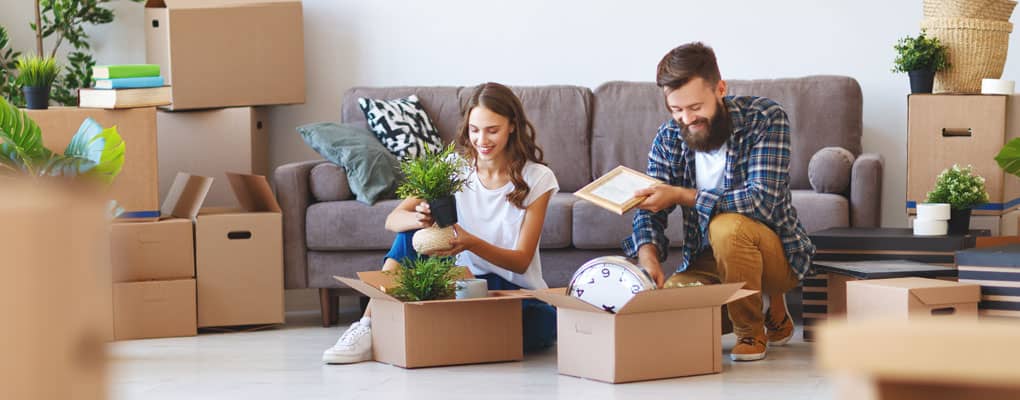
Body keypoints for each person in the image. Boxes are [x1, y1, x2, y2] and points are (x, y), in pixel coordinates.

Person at [323, 82, 559, 364]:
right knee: (410, 234)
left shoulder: (538, 178)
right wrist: (420, 217)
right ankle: (367, 325)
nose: (481, 140)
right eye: (474, 130)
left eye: (492, 130)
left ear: (512, 126)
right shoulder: (455, 167)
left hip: (514, 290)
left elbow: (520, 261)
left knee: (541, 326)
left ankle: (435, 330)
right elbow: (393, 219)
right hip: (464, 284)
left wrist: (470, 243)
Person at [623, 42, 815, 362]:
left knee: (727, 227)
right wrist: (648, 256)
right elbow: (650, 208)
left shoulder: (765, 118)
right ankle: (770, 310)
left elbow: (761, 200)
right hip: (706, 259)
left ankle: (750, 331)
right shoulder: (669, 137)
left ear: (720, 89)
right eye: (676, 110)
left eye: (695, 107)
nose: (687, 118)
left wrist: (682, 195)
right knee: (668, 312)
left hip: (774, 255)